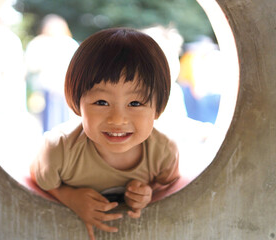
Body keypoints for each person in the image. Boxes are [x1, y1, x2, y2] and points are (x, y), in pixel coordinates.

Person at [30, 28, 180, 240]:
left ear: (158, 108)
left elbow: (170, 186)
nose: (117, 120)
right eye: (101, 102)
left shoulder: (163, 152)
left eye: (135, 103)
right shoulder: (60, 148)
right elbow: (38, 176)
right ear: (77, 103)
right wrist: (70, 197)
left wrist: (149, 192)